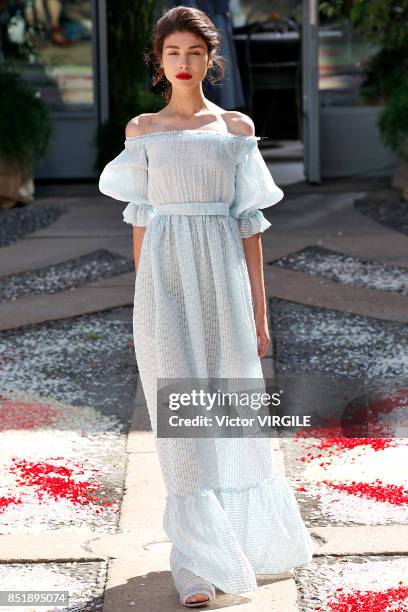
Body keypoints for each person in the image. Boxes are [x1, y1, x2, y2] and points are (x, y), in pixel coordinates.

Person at [99, 5, 314, 608]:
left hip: (222, 283)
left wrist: (261, 314)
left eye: (194, 52)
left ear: (210, 58)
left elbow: (251, 228)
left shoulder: (237, 130)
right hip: (164, 286)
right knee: (179, 419)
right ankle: (194, 563)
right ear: (159, 61)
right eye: (173, 53)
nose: (184, 62)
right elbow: (140, 222)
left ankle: (235, 544)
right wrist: (142, 303)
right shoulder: (142, 131)